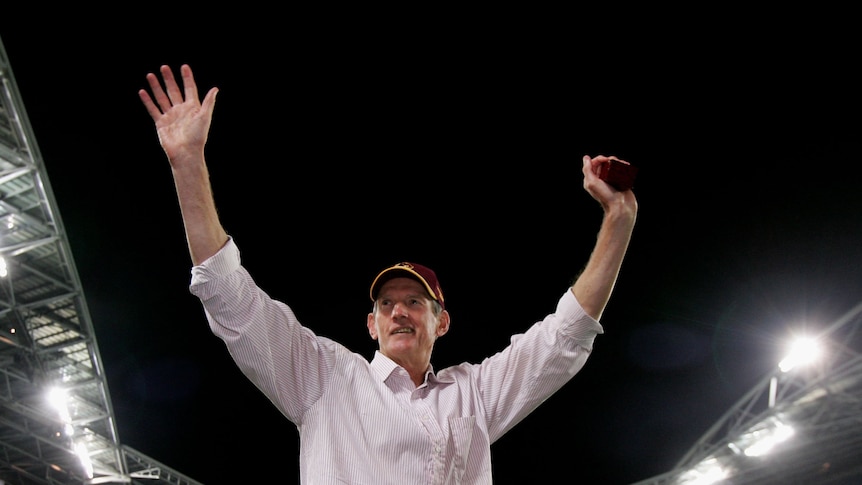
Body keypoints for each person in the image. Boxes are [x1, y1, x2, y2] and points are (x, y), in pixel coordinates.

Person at [138, 64, 638, 485]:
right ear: (371, 325)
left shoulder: (474, 396)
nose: (399, 310)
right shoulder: (324, 377)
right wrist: (187, 164)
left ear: (441, 322)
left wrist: (619, 220)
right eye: (386, 304)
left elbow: (565, 336)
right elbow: (230, 297)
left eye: (415, 301)